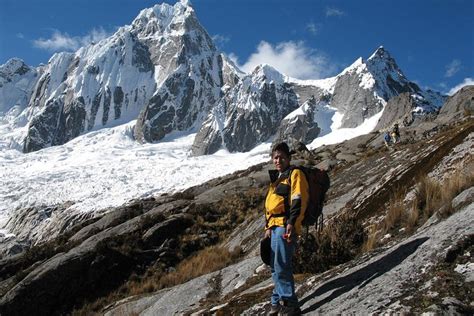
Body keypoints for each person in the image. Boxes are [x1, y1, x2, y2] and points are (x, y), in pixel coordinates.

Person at [264, 142, 309, 316]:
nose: (278, 160)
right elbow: (270, 206)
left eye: (282, 157)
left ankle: (290, 304)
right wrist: (267, 226)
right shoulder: (277, 178)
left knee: (281, 264)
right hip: (274, 227)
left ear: (288, 158)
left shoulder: (294, 174)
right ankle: (276, 302)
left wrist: (291, 223)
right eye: (275, 157)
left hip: (285, 226)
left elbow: (298, 199)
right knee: (275, 267)